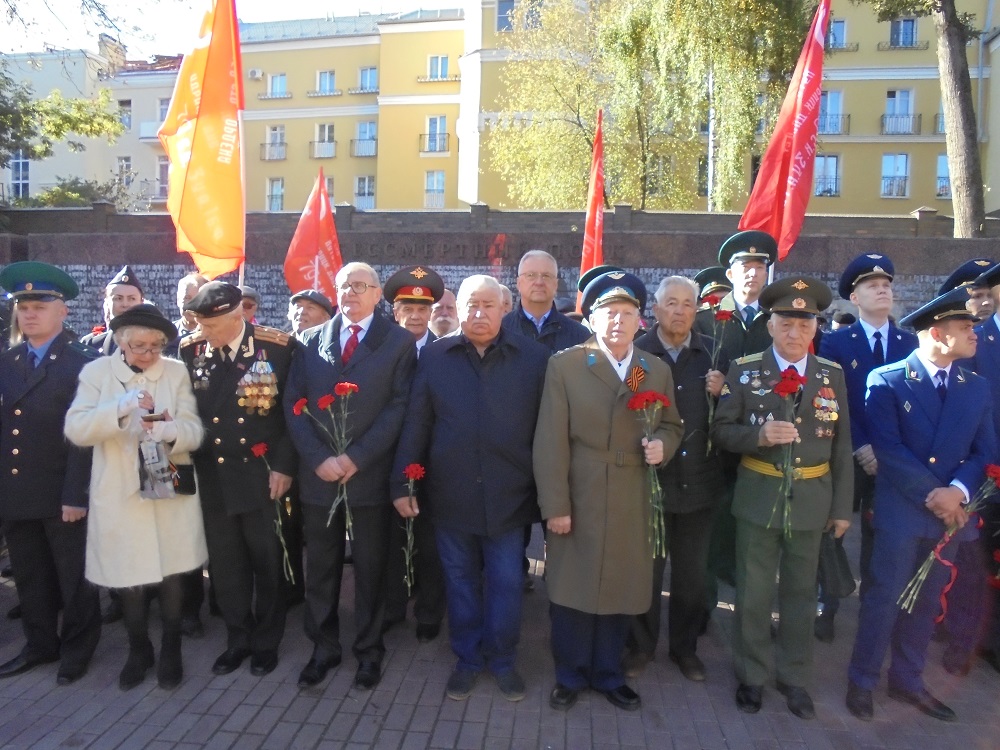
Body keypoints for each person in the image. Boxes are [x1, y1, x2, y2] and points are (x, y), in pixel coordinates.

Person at [392, 274, 550, 703]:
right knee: (460, 583)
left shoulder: (534, 358)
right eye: (470, 305)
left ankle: (502, 660)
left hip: (509, 497)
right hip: (451, 495)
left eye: (488, 305)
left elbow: (548, 430)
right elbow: (417, 424)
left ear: (504, 308)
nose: (479, 313)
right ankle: (467, 659)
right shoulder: (435, 357)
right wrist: (404, 483)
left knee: (506, 583)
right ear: (457, 309)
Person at [535, 270, 683, 712]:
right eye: (609, 313)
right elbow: (550, 441)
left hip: (633, 493)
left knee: (622, 585)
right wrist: (556, 506)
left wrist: (664, 445)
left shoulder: (653, 369)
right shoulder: (566, 365)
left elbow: (673, 424)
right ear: (592, 319)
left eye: (627, 313)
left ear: (640, 320)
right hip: (581, 489)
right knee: (573, 586)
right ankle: (570, 674)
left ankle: (608, 673)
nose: (618, 321)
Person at [846, 287, 996, 722]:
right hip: (903, 511)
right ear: (937, 332)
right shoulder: (888, 379)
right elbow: (889, 449)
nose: (974, 334)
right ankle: (862, 680)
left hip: (950, 515)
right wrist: (938, 496)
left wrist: (958, 492)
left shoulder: (976, 387)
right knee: (884, 598)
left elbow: (985, 451)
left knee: (927, 602)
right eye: (965, 327)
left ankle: (908, 680)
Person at [712, 276, 853, 720]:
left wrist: (841, 509)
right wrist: (758, 436)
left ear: (816, 328)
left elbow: (842, 446)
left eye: (804, 324)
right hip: (759, 495)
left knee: (800, 593)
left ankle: (794, 677)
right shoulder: (745, 370)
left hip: (812, 498)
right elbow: (721, 431)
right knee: (753, 593)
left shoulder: (830, 375)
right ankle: (751, 675)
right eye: (786, 323)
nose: (795, 333)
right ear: (770, 325)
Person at [284, 262, 416, 691]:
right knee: (321, 568)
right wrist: (319, 458)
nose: (350, 293)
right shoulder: (309, 340)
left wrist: (357, 457)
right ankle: (323, 648)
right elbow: (294, 404)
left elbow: (399, 407)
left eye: (360, 286)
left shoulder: (398, 342)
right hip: (319, 477)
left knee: (371, 569)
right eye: (343, 286)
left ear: (378, 294)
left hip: (368, 476)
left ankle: (369, 650)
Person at [64, 304, 206, 691]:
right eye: (139, 346)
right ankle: (139, 649)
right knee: (128, 579)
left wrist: (172, 432)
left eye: (155, 346)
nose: (148, 353)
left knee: (173, 571)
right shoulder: (96, 373)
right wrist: (120, 409)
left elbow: (195, 430)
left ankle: (172, 648)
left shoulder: (175, 372)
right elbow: (76, 428)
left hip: (168, 487)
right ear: (121, 342)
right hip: (119, 494)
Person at [179, 282, 298, 679]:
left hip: (262, 475)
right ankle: (238, 639)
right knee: (227, 565)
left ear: (237, 316)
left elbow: (292, 415)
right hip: (215, 475)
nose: (204, 333)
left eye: (212, 326)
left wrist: (284, 466)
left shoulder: (277, 348)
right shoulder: (190, 349)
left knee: (268, 562)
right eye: (200, 324)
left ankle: (266, 642)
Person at [0, 262, 102, 685]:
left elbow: (86, 439)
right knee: (30, 576)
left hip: (62, 490)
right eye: (23, 306)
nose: (29, 313)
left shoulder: (84, 364)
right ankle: (40, 644)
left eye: (39, 306)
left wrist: (76, 494)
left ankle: (77, 649)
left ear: (63, 310)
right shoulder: (7, 361)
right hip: (17, 489)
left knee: (73, 578)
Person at [624, 276, 725, 682]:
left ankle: (685, 649)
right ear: (656, 310)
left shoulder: (714, 354)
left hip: (699, 482)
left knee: (691, 578)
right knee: (645, 575)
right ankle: (640, 646)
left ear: (696, 310)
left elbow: (734, 413)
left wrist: (724, 392)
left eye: (687, 304)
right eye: (671, 303)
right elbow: (624, 401)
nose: (680, 311)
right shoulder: (638, 354)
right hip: (652, 483)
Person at [815, 254, 917, 642]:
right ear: (854, 297)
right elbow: (831, 399)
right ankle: (826, 605)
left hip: (892, 458)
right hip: (847, 453)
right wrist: (861, 445)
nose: (882, 290)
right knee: (834, 529)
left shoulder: (910, 343)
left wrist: (885, 448)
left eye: (887, 285)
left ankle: (874, 611)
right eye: (872, 286)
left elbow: (913, 404)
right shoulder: (836, 342)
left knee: (882, 536)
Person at [693, 231, 777, 635]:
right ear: (730, 273)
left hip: (762, 445)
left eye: (759, 266)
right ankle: (702, 611)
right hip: (713, 446)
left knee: (755, 540)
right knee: (709, 535)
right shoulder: (706, 319)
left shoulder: (777, 320)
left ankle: (753, 618)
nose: (752, 273)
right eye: (745, 266)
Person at [503, 250, 590, 592]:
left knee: (559, 525)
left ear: (557, 283)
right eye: (531, 275)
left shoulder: (578, 335)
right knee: (512, 536)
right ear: (518, 282)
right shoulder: (501, 328)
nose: (538, 282)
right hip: (511, 448)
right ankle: (516, 580)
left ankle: (560, 587)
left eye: (546, 276)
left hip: (561, 449)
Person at [382, 265, 447, 641]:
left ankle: (428, 612)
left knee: (431, 543)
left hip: (434, 466)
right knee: (390, 541)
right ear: (395, 311)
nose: (416, 315)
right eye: (408, 308)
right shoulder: (380, 351)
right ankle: (393, 606)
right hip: (386, 461)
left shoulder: (445, 353)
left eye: (423, 309)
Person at [80, 266, 144, 355]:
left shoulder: (158, 343)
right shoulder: (90, 345)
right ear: (107, 303)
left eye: (132, 299)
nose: (125, 304)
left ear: (141, 303)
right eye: (118, 298)